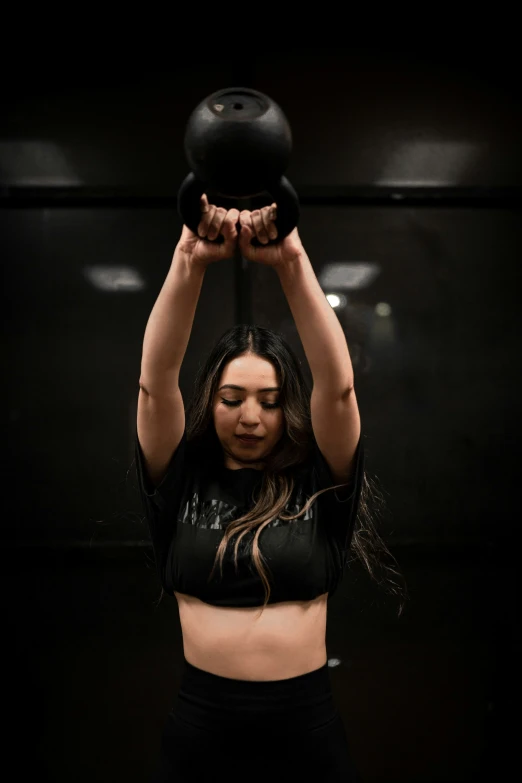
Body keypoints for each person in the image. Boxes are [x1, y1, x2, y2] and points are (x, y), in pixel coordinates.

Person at [135, 197, 380, 781]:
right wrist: (189, 261)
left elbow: (339, 389)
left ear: (287, 405)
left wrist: (291, 260)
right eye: (231, 399)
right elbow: (153, 384)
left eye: (270, 402)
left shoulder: (320, 478)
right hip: (201, 727)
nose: (251, 418)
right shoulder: (181, 474)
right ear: (209, 402)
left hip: (306, 727)